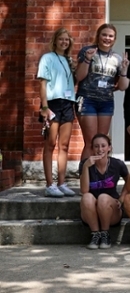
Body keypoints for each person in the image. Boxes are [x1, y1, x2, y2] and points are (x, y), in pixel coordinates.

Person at [75, 23, 128, 160]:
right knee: (91, 142)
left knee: (102, 143)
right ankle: (86, 177)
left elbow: (122, 87)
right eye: (104, 35)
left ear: (114, 39)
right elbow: (79, 77)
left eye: (111, 36)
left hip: (106, 102)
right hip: (87, 100)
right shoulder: (88, 51)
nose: (107, 38)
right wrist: (87, 59)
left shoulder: (117, 58)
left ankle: (99, 177)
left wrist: (124, 70)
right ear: (98, 36)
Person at [37, 28, 77, 198]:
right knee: (51, 143)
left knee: (64, 145)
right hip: (52, 103)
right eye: (61, 39)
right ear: (55, 41)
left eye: (66, 40)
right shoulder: (47, 58)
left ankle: (62, 183)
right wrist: (45, 107)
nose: (64, 42)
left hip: (68, 103)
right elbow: (43, 83)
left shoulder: (68, 60)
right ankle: (49, 184)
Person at [79, 133, 129, 250]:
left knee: (103, 198)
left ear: (109, 148)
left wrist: (122, 198)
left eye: (103, 146)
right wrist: (86, 167)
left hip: (111, 210)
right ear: (92, 149)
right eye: (96, 146)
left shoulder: (117, 164)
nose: (100, 149)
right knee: (87, 197)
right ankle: (95, 234)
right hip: (91, 212)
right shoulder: (85, 164)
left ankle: (105, 234)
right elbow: (84, 190)